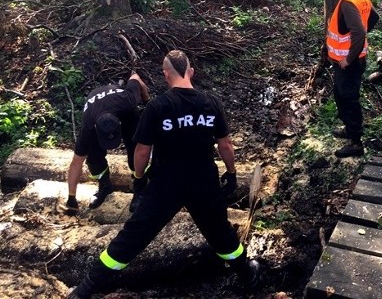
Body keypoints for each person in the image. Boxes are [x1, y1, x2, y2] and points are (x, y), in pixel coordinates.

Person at [67, 50, 259, 299]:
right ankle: (247, 274)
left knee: (133, 237)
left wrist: (139, 178)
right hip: (203, 181)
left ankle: (85, 290)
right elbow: (226, 146)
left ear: (166, 74)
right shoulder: (211, 103)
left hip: (165, 185)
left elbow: (141, 151)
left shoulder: (157, 107)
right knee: (219, 231)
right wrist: (231, 173)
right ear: (191, 71)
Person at [66, 72, 150, 214]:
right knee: (93, 159)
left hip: (123, 110)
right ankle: (105, 186)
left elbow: (135, 77)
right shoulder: (88, 127)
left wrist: (147, 101)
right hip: (97, 104)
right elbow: (76, 162)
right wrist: (71, 198)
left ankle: (140, 188)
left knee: (136, 150)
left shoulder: (128, 100)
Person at [326, 0, 379, 158]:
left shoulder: (348, 1)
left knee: (349, 99)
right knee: (341, 94)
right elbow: (374, 18)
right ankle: (349, 129)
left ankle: (356, 143)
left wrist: (349, 57)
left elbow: (359, 31)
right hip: (351, 60)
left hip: (349, 63)